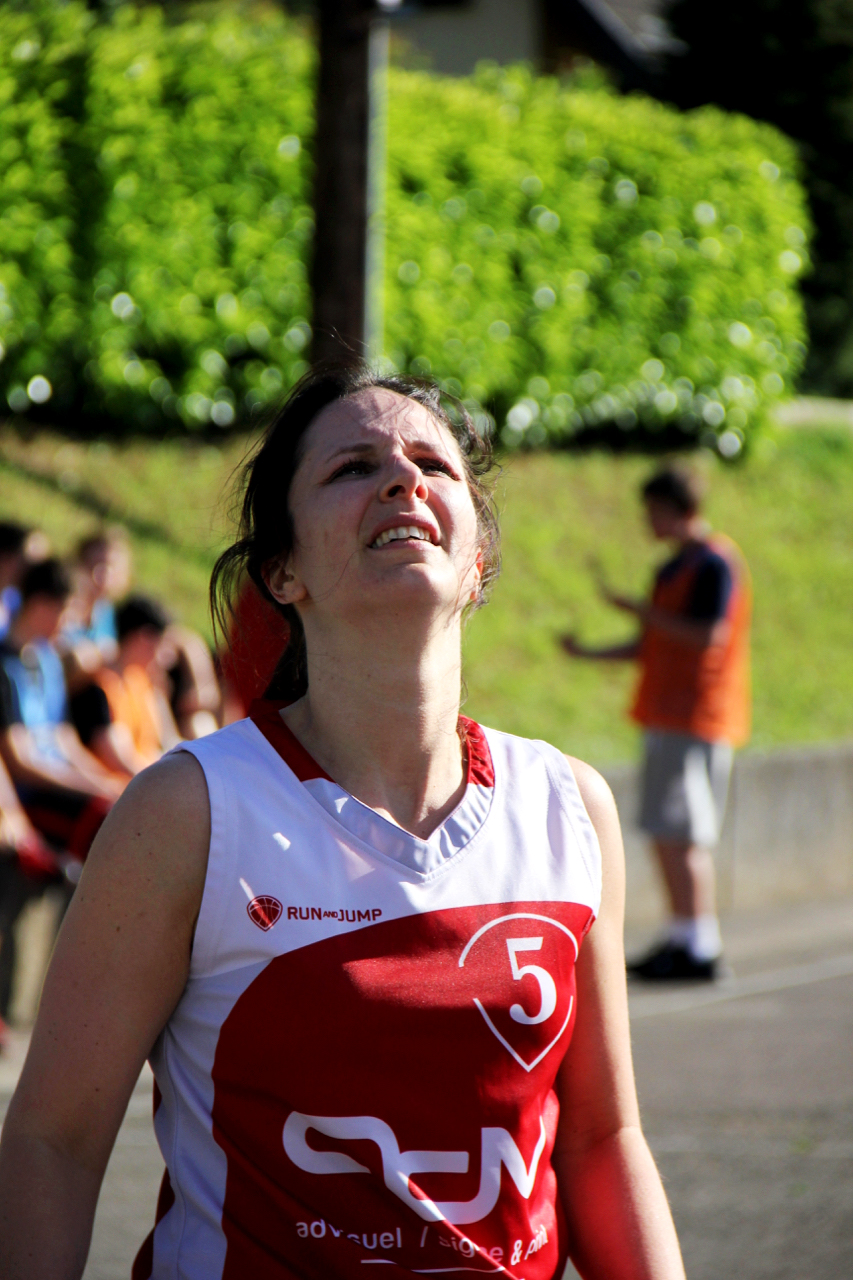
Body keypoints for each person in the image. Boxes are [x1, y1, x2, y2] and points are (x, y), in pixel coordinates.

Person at [0, 366, 685, 1280]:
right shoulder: (189, 811)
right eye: (352, 467)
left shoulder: (567, 805)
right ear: (282, 571)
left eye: (432, 464)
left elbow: (602, 1141)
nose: (402, 479)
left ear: (478, 556)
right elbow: (54, 1141)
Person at [562, 464, 751, 982]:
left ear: (675, 509)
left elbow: (707, 636)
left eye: (653, 511)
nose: (647, 521)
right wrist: (589, 653)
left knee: (683, 834)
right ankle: (682, 936)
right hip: (669, 713)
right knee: (669, 833)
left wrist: (641, 611)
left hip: (696, 714)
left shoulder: (713, 563)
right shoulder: (674, 568)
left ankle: (699, 945)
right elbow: (653, 646)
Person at [70, 595, 179, 778]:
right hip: (112, 788)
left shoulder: (140, 682)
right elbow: (118, 761)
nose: (167, 656)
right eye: (162, 644)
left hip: (142, 781)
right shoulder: (98, 687)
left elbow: (159, 744)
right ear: (144, 638)